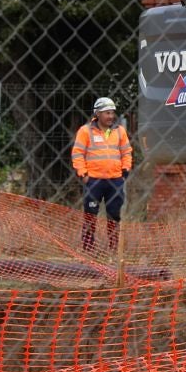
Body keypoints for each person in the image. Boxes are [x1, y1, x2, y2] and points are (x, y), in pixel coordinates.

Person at [72, 96, 132, 254]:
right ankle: (88, 250)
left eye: (112, 113)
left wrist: (125, 170)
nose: (111, 116)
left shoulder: (120, 131)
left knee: (114, 216)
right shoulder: (85, 131)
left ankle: (114, 250)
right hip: (94, 181)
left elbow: (127, 152)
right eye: (107, 113)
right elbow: (77, 154)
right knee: (90, 215)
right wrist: (83, 174)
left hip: (115, 181)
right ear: (97, 114)